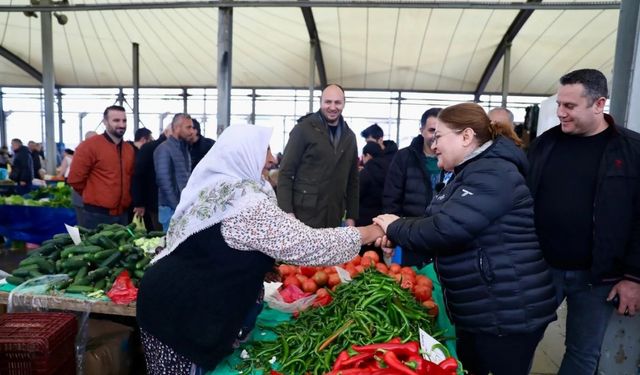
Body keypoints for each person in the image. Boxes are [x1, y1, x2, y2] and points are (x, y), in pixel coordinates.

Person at [136, 124, 384, 374]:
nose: (270, 159)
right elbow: (310, 245)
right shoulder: (246, 203)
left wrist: (259, 265)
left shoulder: (220, 187)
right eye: (263, 150)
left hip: (169, 300)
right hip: (180, 316)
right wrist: (372, 232)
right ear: (243, 153)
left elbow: (216, 245)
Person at [374, 103, 555, 375]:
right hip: (485, 307)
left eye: (439, 137)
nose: (433, 145)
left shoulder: (493, 173)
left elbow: (446, 229)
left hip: (506, 311)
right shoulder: (470, 172)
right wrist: (398, 232)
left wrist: (396, 228)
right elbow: (435, 221)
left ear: (466, 136)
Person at [527, 68, 640, 375]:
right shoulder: (544, 145)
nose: (561, 113)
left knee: (583, 353)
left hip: (598, 276)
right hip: (540, 269)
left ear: (599, 104)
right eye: (559, 105)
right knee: (520, 342)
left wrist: (633, 276)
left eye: (570, 106)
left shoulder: (632, 150)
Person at [277, 84, 359, 228]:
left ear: (344, 103)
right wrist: (287, 213)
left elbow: (353, 181)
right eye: (328, 102)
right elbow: (285, 172)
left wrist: (351, 217)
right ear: (320, 101)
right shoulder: (303, 130)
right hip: (303, 216)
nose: (333, 107)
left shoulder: (349, 137)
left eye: (337, 102)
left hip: (333, 216)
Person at [382, 107, 443, 266]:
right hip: (411, 235)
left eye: (440, 131)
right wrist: (391, 234)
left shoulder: (454, 159)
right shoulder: (404, 157)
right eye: (431, 130)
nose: (435, 136)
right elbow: (391, 198)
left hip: (443, 236)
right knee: (413, 282)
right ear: (421, 130)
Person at [68, 105, 135, 229]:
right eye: (116, 120)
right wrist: (95, 194)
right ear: (105, 122)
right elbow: (75, 180)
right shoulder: (89, 146)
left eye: (124, 120)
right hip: (96, 214)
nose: (122, 124)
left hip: (123, 214)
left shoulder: (129, 149)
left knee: (122, 247)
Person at [154, 113, 194, 231]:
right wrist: (178, 208)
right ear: (177, 128)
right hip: (171, 209)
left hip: (182, 208)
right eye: (188, 127)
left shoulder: (184, 149)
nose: (192, 131)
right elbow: (164, 182)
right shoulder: (164, 149)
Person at [132, 126, 171, 232]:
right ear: (167, 132)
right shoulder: (150, 148)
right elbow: (138, 175)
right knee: (159, 235)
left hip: (163, 203)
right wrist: (139, 202)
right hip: (155, 203)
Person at [357, 142, 390, 228]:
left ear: (367, 155)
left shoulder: (366, 172)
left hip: (364, 220)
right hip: (383, 220)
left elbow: (356, 195)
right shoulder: (390, 169)